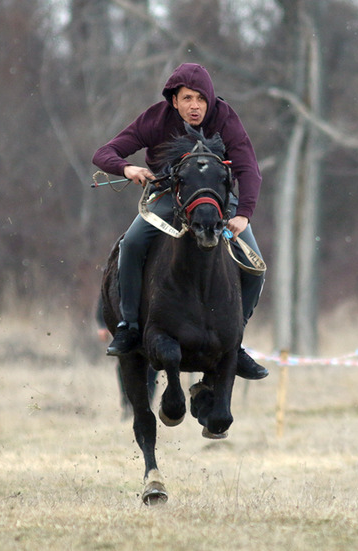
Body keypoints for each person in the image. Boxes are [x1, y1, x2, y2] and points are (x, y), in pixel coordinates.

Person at [92, 63, 268, 380]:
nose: (195, 106)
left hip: (219, 204)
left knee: (256, 267)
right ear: (174, 100)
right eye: (187, 98)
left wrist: (243, 213)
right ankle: (129, 326)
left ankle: (235, 343)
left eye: (201, 98)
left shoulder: (225, 118)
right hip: (167, 198)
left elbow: (248, 169)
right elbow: (105, 153)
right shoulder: (156, 118)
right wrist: (126, 168)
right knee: (131, 244)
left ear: (210, 99)